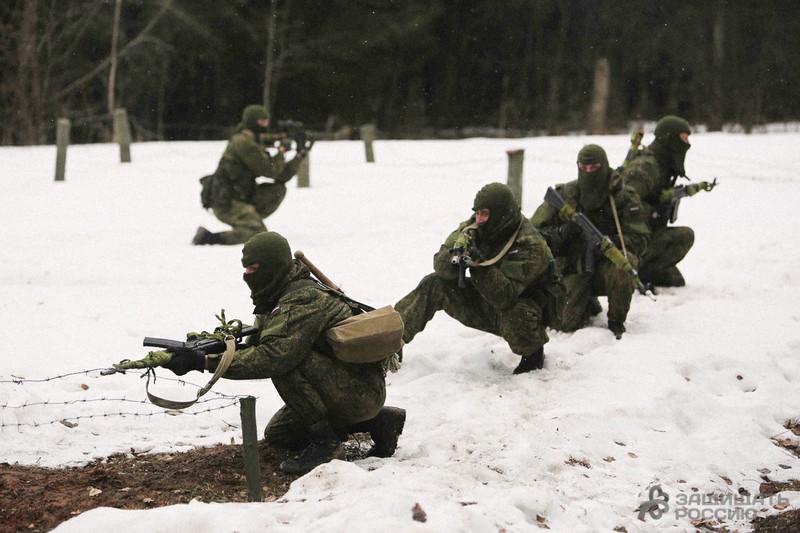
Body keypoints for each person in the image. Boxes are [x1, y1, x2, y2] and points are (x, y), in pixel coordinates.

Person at [162, 231, 406, 474]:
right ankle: (379, 421)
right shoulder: (278, 293)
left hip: (359, 391)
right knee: (280, 434)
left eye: (254, 267)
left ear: (274, 265)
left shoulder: (303, 299)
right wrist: (208, 350)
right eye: (246, 268)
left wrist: (205, 362)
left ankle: (327, 446)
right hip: (347, 385)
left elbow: (272, 357)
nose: (248, 275)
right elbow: (258, 344)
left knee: (285, 363)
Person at [395, 182, 562, 374]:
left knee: (517, 312)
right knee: (434, 284)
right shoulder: (472, 228)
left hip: (526, 310)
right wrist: (455, 257)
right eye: (477, 213)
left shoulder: (530, 243)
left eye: (485, 214)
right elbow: (440, 267)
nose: (479, 219)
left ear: (500, 214)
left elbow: (505, 297)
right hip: (486, 301)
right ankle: (390, 343)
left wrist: (479, 266)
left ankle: (532, 354)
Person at [530, 144, 650, 339]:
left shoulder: (623, 197)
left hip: (607, 267)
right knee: (567, 324)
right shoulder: (565, 195)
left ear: (604, 166)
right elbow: (534, 235)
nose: (588, 172)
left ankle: (616, 321)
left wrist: (607, 244)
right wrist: (561, 233)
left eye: (593, 168)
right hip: (572, 268)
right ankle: (586, 302)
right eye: (582, 167)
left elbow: (641, 238)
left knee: (625, 266)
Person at [192, 105, 309, 245]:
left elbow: (281, 176)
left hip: (242, 196)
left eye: (266, 121)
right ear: (252, 121)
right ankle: (208, 238)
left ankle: (249, 220)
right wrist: (281, 152)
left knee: (278, 190)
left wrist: (298, 157)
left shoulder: (254, 140)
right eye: (262, 121)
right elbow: (269, 170)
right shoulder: (242, 141)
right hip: (226, 201)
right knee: (258, 234)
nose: (265, 125)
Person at [621, 115, 709, 287]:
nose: (687, 144)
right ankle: (638, 270)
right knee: (685, 237)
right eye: (683, 138)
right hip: (632, 244)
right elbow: (621, 206)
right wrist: (650, 212)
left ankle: (645, 270)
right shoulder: (647, 167)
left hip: (645, 235)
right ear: (670, 139)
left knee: (675, 280)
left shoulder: (661, 163)